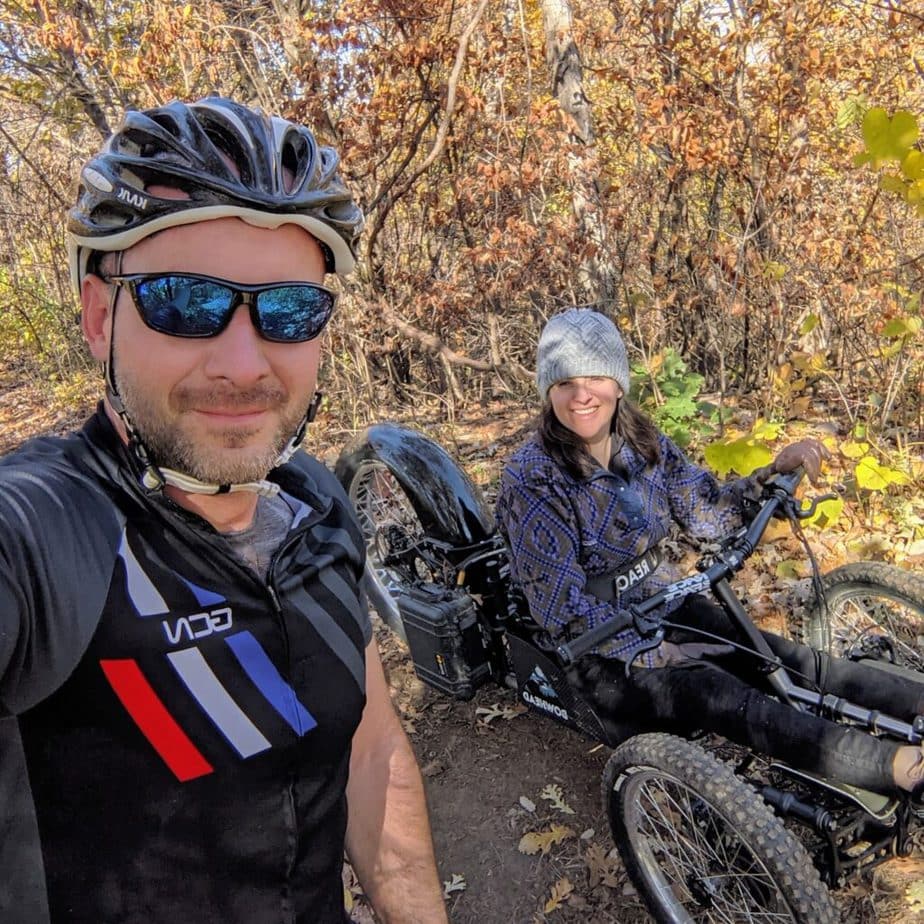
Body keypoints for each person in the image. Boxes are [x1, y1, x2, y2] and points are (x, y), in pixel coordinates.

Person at [0, 97, 448, 924]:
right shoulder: (45, 533)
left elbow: (370, 747)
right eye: (184, 301)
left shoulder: (316, 509)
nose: (244, 363)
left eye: (286, 310)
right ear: (101, 318)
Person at [495, 307, 924, 798]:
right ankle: (897, 766)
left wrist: (769, 477)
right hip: (598, 649)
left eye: (595, 375)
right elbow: (558, 610)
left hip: (664, 601)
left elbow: (709, 512)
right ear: (548, 390)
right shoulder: (533, 477)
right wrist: (650, 652)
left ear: (618, 382)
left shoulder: (642, 443)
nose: (582, 394)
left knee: (782, 658)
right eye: (565, 381)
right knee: (716, 691)